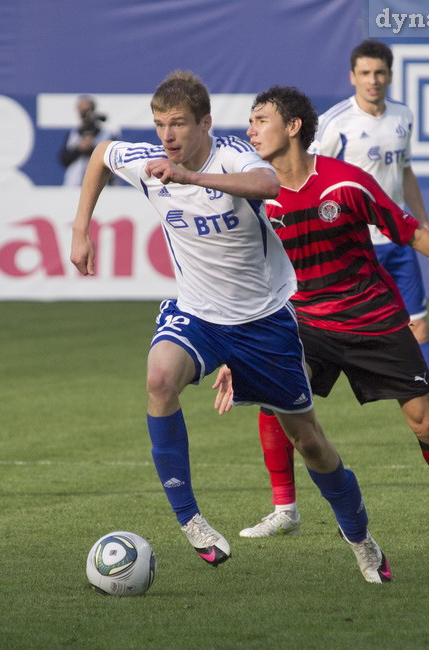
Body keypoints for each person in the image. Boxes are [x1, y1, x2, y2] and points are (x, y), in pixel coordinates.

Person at [70, 70, 391, 584]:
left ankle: (359, 536)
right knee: (158, 381)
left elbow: (268, 184)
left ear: (206, 124)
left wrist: (192, 178)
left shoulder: (234, 158)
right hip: (197, 313)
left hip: (262, 321)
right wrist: (81, 230)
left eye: (178, 124)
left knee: (309, 443)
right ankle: (190, 519)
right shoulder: (150, 162)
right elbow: (102, 153)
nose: (167, 136)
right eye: (159, 125)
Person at [213, 85, 429, 540]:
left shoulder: (346, 181)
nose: (251, 129)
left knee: (427, 422)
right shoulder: (253, 196)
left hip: (371, 317)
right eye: (251, 120)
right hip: (304, 321)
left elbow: (410, 233)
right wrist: (236, 345)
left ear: (293, 127)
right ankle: (285, 509)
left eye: (261, 120)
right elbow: (242, 274)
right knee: (273, 392)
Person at [311, 40, 429, 451]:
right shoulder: (334, 123)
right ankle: (298, 424)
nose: (373, 80)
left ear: (390, 74)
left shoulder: (403, 116)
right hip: (352, 246)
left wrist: (422, 222)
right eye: (365, 73)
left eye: (380, 72)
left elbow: (405, 172)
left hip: (397, 240)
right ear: (353, 76)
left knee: (419, 328)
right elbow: (311, 177)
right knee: (323, 333)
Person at [59, 95, 119, 186]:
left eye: (87, 110)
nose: (85, 114)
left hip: (101, 187)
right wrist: (78, 149)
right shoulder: (73, 134)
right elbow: (64, 159)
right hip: (74, 185)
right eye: (82, 111)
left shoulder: (107, 134)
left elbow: (115, 161)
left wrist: (93, 149)